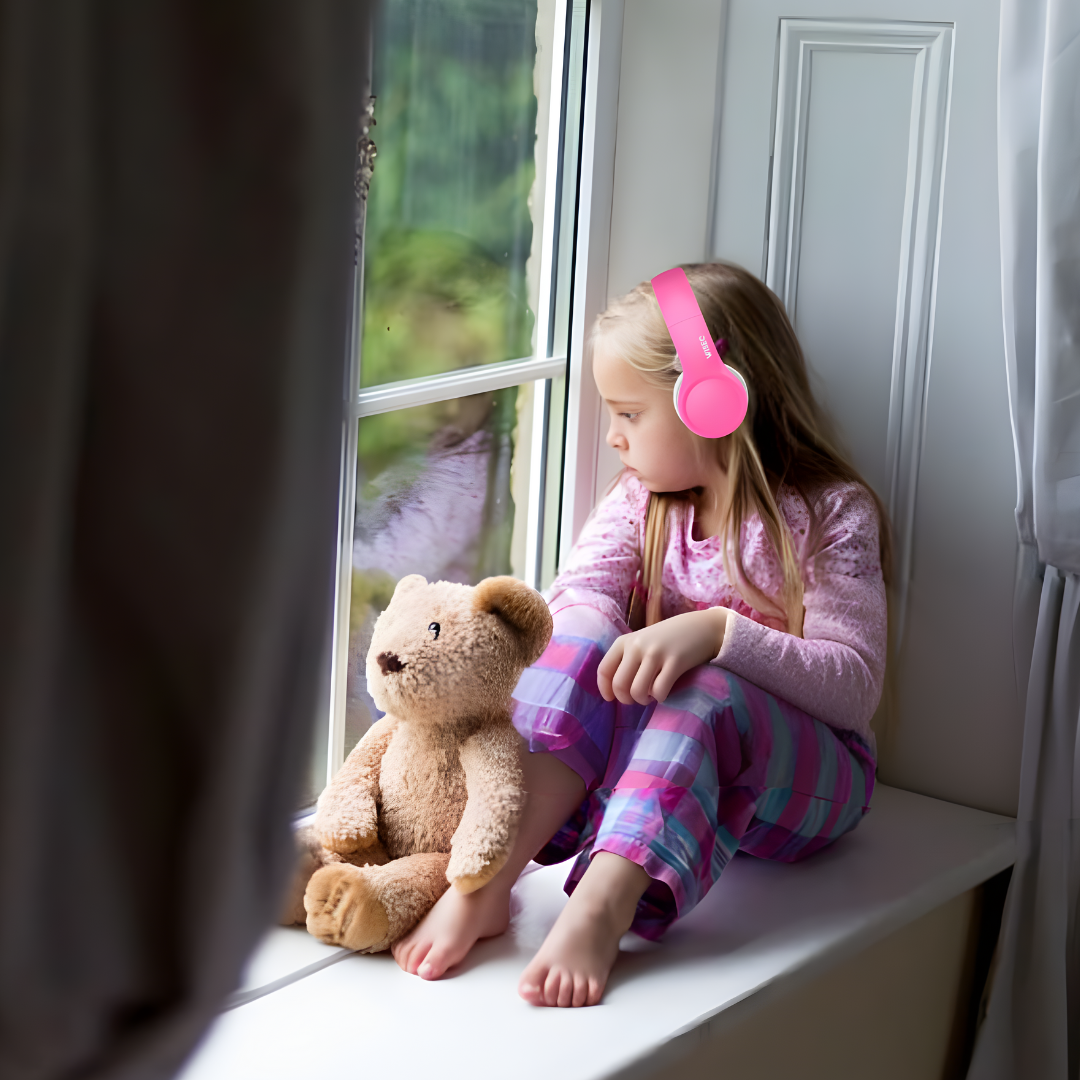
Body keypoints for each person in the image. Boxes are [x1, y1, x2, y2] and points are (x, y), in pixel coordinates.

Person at [390, 262, 890, 1008]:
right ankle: (490, 879)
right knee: (581, 625)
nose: (614, 437)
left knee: (709, 687)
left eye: (629, 414)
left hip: (807, 785)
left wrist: (716, 631)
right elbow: (575, 605)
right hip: (663, 779)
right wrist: (599, 627)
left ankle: (600, 906)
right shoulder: (644, 502)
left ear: (712, 403)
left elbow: (854, 688)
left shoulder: (830, 513)